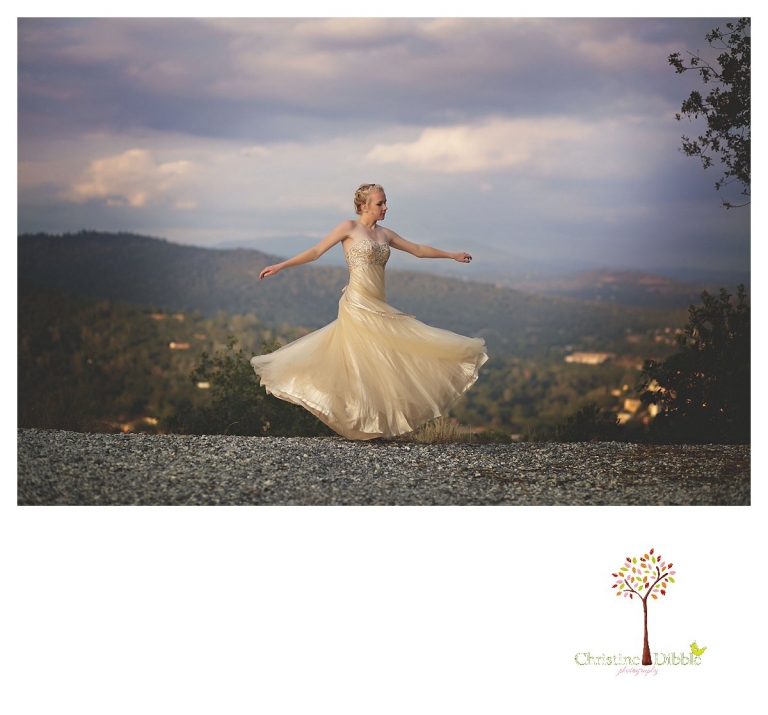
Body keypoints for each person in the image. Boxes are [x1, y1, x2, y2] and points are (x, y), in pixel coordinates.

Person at [250, 183, 488, 440]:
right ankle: (363, 422)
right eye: (380, 203)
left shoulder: (385, 234)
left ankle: (379, 425)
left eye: (385, 202)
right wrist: (281, 265)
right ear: (364, 206)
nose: (385, 207)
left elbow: (418, 250)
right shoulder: (349, 228)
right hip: (358, 303)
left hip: (379, 303)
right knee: (363, 361)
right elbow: (317, 252)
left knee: (384, 359)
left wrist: (451, 255)